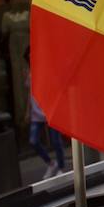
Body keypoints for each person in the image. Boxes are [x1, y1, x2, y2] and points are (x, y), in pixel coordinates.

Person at [25, 47, 66, 179]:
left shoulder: (47, 68)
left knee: (56, 141)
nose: (31, 57)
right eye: (29, 56)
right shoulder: (30, 72)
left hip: (49, 110)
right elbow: (29, 93)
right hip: (36, 113)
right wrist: (28, 111)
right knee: (33, 141)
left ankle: (61, 166)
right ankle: (50, 163)